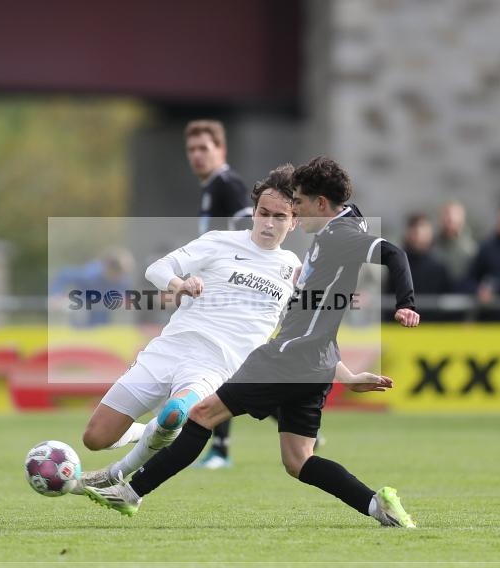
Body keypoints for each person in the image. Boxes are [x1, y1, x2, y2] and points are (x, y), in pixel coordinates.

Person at [84, 156, 421, 528]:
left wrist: (404, 303)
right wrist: (346, 374)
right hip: (312, 362)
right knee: (298, 460)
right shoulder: (320, 241)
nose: (286, 215)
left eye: (295, 207)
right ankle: (378, 505)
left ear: (311, 210)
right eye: (268, 211)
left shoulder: (326, 245)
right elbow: (311, 324)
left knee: (199, 415)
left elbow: (391, 254)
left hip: (275, 360)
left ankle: (130, 491)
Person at [71, 165, 301, 493]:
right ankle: (142, 432)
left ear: (294, 222)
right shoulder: (219, 242)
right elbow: (157, 268)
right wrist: (179, 283)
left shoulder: (294, 269)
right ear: (253, 212)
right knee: (95, 438)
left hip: (214, 367)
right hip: (169, 349)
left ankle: (115, 475)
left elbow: (310, 323)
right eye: (263, 212)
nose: (268, 222)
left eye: (280, 216)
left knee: (175, 413)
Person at [184, 119, 263, 469]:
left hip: (230, 292)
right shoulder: (212, 187)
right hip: (212, 290)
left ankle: (221, 450)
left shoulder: (228, 185)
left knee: (220, 369)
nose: (197, 156)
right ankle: (289, 415)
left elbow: (250, 230)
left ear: (221, 151)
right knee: (228, 371)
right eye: (192, 150)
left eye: (205, 148)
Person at [396, 213, 452, 322]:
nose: (418, 235)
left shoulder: (439, 266)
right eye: (414, 230)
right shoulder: (397, 264)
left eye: (422, 230)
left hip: (434, 328)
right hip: (402, 328)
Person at [433, 200, 476, 288]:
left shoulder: (471, 250)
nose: (450, 219)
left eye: (455, 215)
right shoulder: (431, 248)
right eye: (446, 214)